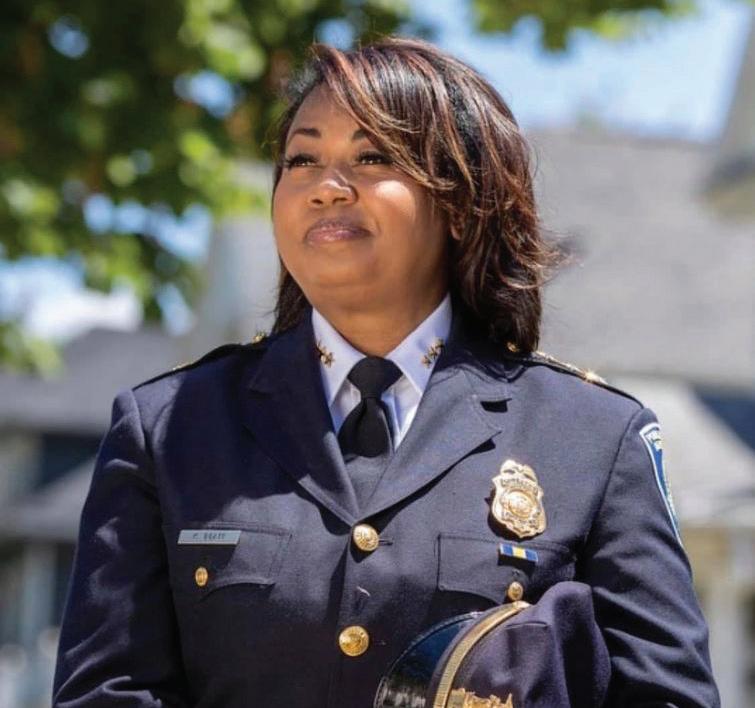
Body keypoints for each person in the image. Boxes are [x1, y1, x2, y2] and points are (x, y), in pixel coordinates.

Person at [52, 36, 719, 707]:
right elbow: (107, 694)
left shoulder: (594, 438)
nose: (325, 187)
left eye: (371, 158)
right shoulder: (169, 427)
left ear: (461, 201)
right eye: (301, 160)